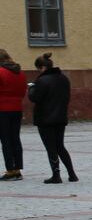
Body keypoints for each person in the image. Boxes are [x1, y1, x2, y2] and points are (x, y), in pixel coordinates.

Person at [29, 53, 76, 184]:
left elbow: (34, 98)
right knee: (60, 146)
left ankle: (56, 175)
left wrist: (32, 88)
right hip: (61, 117)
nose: (38, 71)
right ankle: (72, 174)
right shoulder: (63, 78)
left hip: (45, 119)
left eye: (38, 69)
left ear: (42, 67)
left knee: (51, 148)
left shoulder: (41, 81)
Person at [0, 48, 27, 181]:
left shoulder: (1, 72)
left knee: (5, 140)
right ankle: (17, 169)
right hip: (17, 109)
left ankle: (10, 170)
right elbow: (23, 90)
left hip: (2, 109)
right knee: (15, 138)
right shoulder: (20, 72)